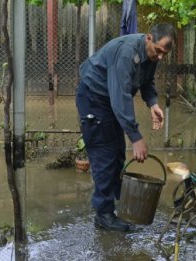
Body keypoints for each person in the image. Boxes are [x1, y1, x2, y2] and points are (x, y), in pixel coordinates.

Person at [75, 24, 176, 231]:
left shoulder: (151, 55)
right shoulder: (126, 54)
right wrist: (136, 138)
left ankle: (121, 205)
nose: (160, 57)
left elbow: (147, 82)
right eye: (158, 51)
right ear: (149, 38)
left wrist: (153, 104)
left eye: (165, 54)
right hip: (94, 98)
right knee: (105, 154)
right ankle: (103, 215)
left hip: (109, 100)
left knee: (118, 153)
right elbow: (121, 98)